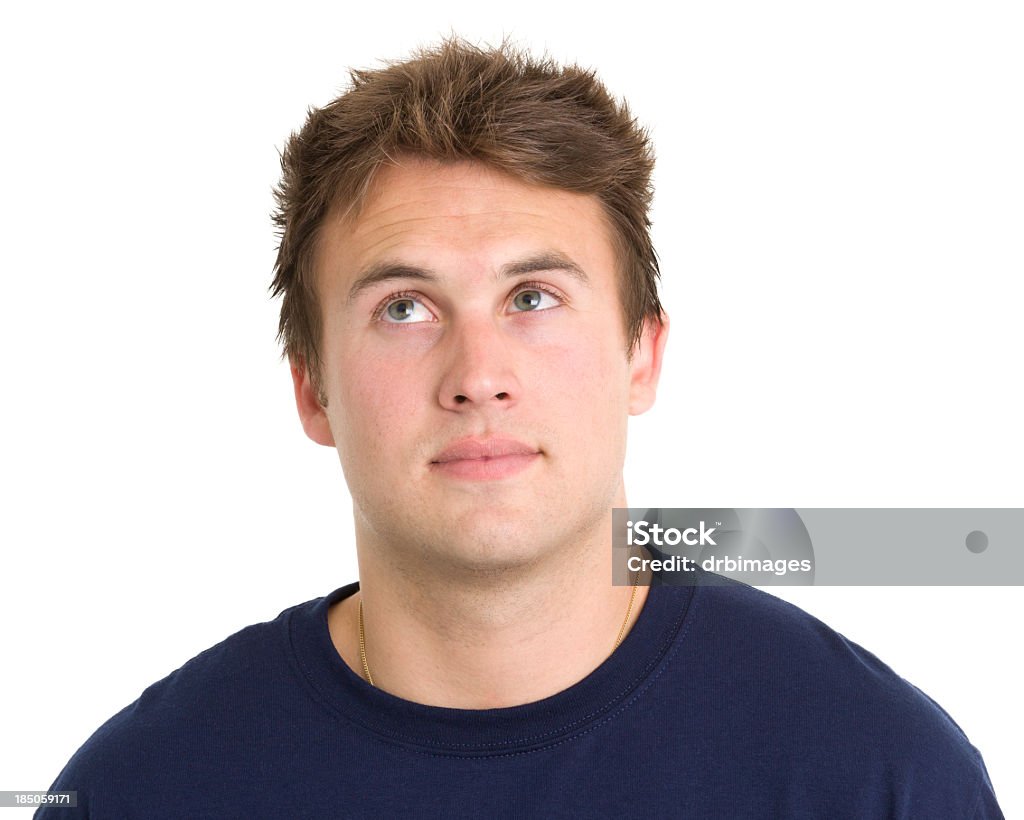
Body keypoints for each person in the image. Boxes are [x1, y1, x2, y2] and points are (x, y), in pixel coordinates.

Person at [39, 39, 1003, 818]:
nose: (478, 377)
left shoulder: (880, 779)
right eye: (404, 309)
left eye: (533, 297)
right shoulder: (142, 792)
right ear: (313, 391)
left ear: (642, 356)